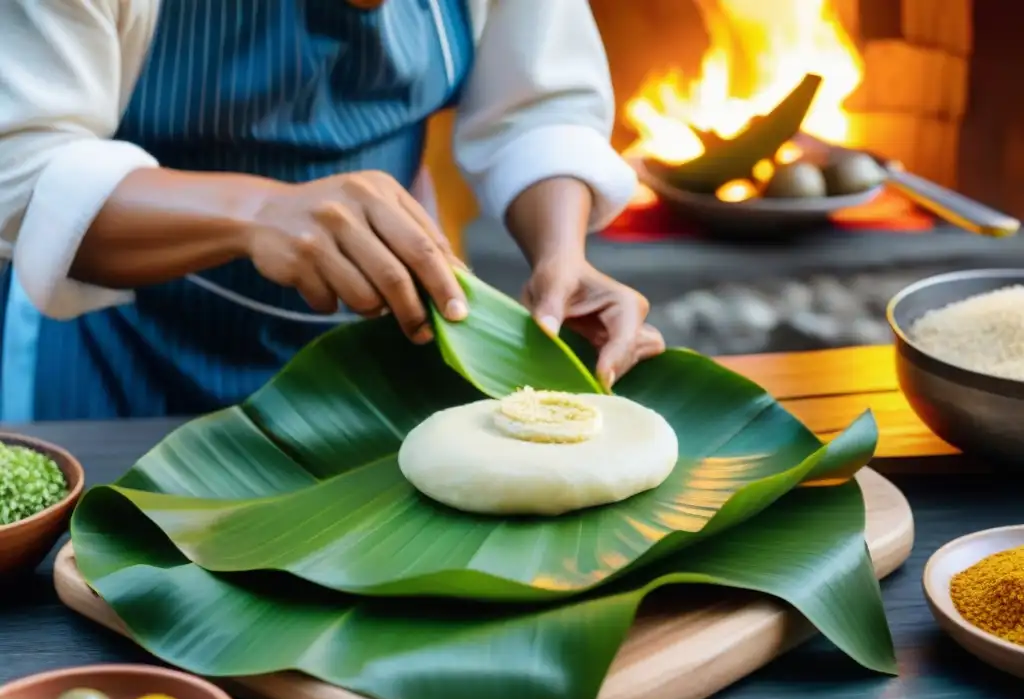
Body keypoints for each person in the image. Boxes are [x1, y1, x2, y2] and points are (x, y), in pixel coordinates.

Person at [0, 0, 665, 422]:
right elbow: (23, 166)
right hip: (124, 356)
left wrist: (560, 255)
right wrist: (260, 213)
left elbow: (536, 105)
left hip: (383, 357)